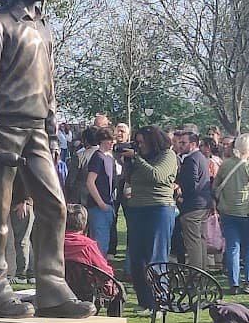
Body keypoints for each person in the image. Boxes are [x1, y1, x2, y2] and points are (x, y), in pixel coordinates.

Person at [0, 0, 94, 319]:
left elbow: (50, 86)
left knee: (55, 207)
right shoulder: (1, 25)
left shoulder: (44, 30)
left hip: (39, 131)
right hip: (5, 129)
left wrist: (53, 131)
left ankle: (52, 287)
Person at [120, 125, 178, 312]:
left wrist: (136, 159)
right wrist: (129, 162)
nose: (139, 145)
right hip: (137, 209)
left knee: (156, 257)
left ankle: (160, 302)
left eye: (142, 142)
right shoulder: (140, 159)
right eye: (137, 143)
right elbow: (130, 179)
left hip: (159, 210)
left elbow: (157, 175)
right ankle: (144, 301)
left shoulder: (168, 156)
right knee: (137, 258)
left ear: (153, 141)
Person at [212, 133, 249, 294]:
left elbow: (215, 185)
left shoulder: (225, 165)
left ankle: (234, 283)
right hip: (248, 211)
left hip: (228, 211)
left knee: (233, 247)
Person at [176, 130, 212, 270]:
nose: (180, 145)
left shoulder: (191, 159)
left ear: (193, 144)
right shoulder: (201, 157)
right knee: (201, 240)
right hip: (203, 204)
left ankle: (196, 276)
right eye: (180, 142)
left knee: (193, 242)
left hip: (193, 206)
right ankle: (203, 273)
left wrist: (182, 196)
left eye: (183, 143)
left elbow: (191, 183)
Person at [85, 127, 117, 255]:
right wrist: (100, 203)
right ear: (102, 141)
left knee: (105, 241)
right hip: (98, 206)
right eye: (109, 140)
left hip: (108, 203)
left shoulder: (109, 158)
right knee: (100, 243)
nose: (112, 143)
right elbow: (90, 182)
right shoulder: (98, 157)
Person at [63, 203, 114, 276]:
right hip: (85, 285)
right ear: (85, 223)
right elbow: (106, 272)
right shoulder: (89, 246)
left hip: (56, 285)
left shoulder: (52, 243)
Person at [65, 125, 99, 205]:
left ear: (85, 140)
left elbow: (70, 180)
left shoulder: (79, 156)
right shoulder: (107, 155)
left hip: (81, 198)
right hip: (100, 196)